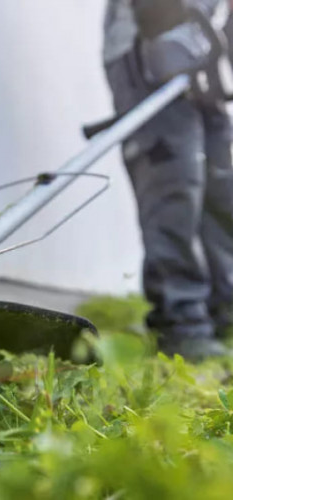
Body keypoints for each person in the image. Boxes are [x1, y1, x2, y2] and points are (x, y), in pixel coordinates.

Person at [102, 0, 233, 358]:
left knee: (222, 187)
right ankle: (181, 323)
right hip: (150, 38)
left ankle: (225, 313)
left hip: (208, 47)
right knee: (174, 182)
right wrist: (163, 21)